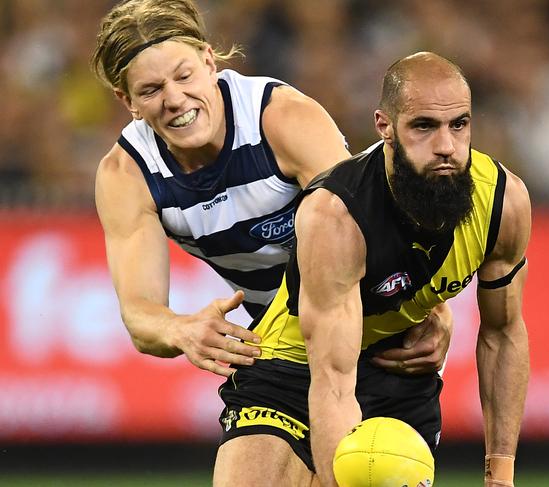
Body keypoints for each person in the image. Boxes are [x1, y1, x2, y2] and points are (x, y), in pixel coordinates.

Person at [90, 0, 452, 476]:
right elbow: (140, 314)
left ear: (208, 60)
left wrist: (433, 307)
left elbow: (373, 224)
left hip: (373, 335)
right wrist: (181, 329)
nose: (175, 99)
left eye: (183, 76)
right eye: (152, 90)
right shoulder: (126, 174)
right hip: (279, 347)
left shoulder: (282, 119)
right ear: (127, 101)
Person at [216, 52, 531, 487]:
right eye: (423, 126)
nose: (446, 146)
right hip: (291, 368)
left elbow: (503, 333)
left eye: (459, 124)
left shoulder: (503, 201)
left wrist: (501, 475)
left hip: (398, 368)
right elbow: (333, 380)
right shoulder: (336, 215)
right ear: (384, 126)